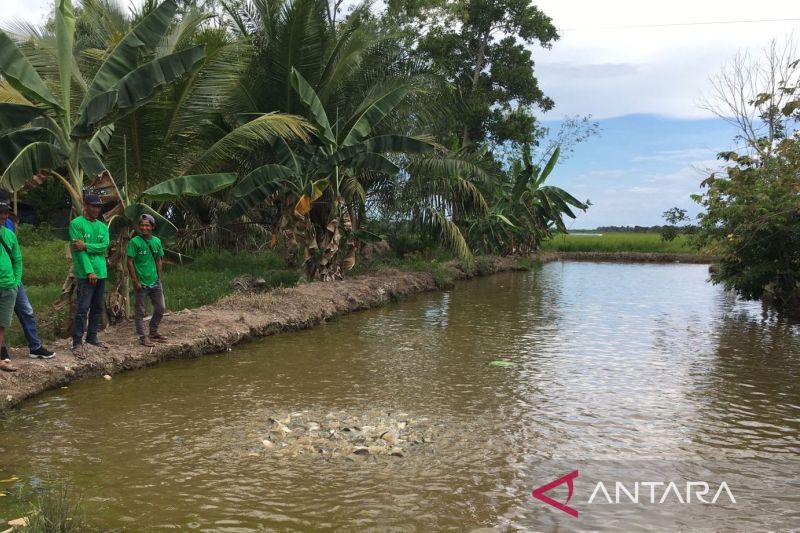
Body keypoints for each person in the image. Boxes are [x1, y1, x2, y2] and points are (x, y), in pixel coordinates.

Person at [0, 191, 56, 365]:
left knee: (26, 311)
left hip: (12, 279)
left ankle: (35, 346)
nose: (5, 213)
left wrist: (16, 280)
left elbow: (16, 255)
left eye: (7, 206)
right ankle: (3, 352)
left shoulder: (9, 224)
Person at [70, 194, 110, 356]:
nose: (96, 209)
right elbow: (78, 251)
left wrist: (86, 245)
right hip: (86, 273)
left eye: (99, 207)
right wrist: (89, 271)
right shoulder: (76, 224)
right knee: (82, 308)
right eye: (93, 206)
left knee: (97, 307)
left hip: (101, 271)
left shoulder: (102, 226)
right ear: (86, 206)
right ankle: (77, 342)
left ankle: (92, 337)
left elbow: (104, 246)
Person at [126, 214, 167, 347]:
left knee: (161, 308)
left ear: (152, 227)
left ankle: (153, 331)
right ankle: (143, 337)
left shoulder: (157, 241)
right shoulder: (134, 242)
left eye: (147, 225)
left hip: (155, 281)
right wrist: (134, 280)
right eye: (142, 225)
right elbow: (130, 261)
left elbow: (159, 259)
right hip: (141, 283)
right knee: (140, 311)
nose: (144, 227)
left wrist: (160, 278)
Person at [0, 201, 22, 372]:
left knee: (2, 325)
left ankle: (0, 360)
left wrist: (16, 280)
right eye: (1, 212)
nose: (3, 216)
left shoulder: (10, 234)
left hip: (8, 285)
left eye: (5, 213)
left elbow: (18, 259)